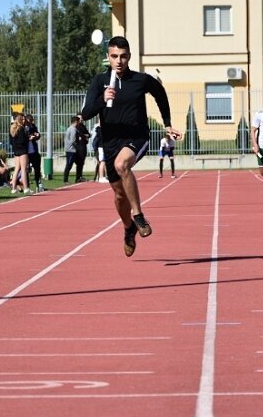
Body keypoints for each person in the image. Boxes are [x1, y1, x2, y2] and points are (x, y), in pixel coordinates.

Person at [81, 35, 181, 257]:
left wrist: (167, 124)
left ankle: (138, 215)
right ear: (108, 57)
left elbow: (160, 94)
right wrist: (101, 99)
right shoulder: (99, 82)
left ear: (129, 57)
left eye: (123, 57)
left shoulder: (140, 80)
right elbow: (86, 113)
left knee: (122, 164)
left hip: (137, 136)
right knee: (118, 196)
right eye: (114, 56)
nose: (119, 61)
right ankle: (129, 228)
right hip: (110, 141)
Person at [9, 112, 31, 194]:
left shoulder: (12, 128)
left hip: (16, 151)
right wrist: (28, 138)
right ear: (19, 120)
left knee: (17, 169)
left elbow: (11, 141)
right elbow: (22, 140)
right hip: (22, 150)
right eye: (22, 119)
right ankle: (25, 188)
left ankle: (13, 188)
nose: (23, 120)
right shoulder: (21, 129)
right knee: (24, 169)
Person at [24, 113, 44, 192]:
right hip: (26, 152)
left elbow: (38, 134)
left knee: (37, 169)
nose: (30, 123)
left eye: (31, 121)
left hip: (34, 151)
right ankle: (27, 187)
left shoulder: (33, 127)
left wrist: (37, 135)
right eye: (29, 121)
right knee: (26, 169)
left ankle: (39, 185)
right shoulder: (23, 128)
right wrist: (28, 137)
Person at [62, 116, 79, 184]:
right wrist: (78, 148)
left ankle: (79, 177)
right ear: (76, 122)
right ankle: (65, 180)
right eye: (78, 122)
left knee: (76, 163)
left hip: (70, 149)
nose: (78, 124)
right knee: (69, 164)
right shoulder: (73, 129)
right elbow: (72, 141)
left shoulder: (70, 128)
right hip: (71, 150)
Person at [74, 115, 90, 183]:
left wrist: (86, 135)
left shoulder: (83, 126)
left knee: (82, 162)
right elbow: (80, 135)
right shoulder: (77, 126)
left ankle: (80, 176)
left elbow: (88, 134)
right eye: (79, 118)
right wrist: (84, 136)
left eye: (81, 118)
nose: (81, 119)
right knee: (79, 162)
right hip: (79, 146)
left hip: (83, 145)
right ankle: (78, 177)